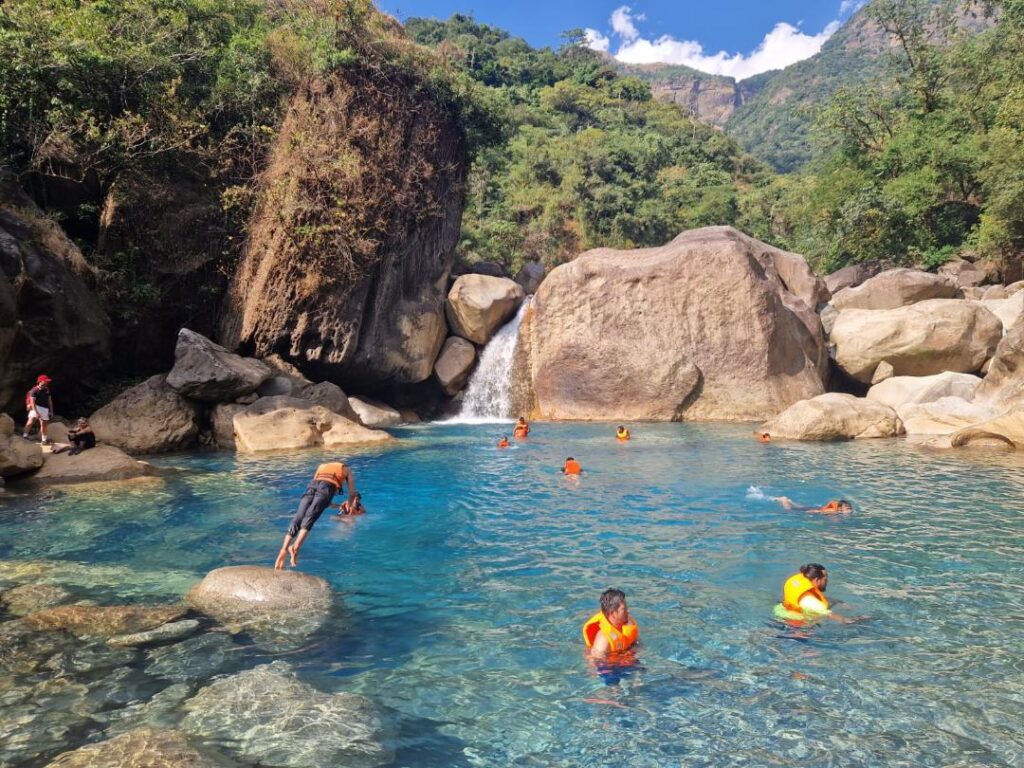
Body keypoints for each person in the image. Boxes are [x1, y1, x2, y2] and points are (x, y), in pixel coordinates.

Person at [274, 461, 356, 570]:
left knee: (299, 516)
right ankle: (295, 547)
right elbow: (352, 493)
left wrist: (337, 506)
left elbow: (320, 496)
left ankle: (283, 549)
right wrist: (349, 506)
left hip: (312, 486)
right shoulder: (347, 469)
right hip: (327, 488)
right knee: (310, 517)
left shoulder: (321, 466)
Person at [775, 563, 856, 623]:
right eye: (825, 579)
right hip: (795, 627)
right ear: (817, 580)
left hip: (780, 611)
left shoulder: (801, 581)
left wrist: (839, 602)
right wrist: (858, 620)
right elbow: (836, 618)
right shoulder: (813, 603)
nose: (827, 581)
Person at [583, 588, 639, 659]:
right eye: (624, 609)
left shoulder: (627, 625)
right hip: (613, 668)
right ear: (612, 613)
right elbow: (597, 666)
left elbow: (636, 643)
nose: (628, 611)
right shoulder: (603, 640)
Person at [23, 375, 53, 445]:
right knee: (31, 421)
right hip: (36, 407)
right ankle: (25, 436)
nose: (47, 382)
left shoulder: (47, 390)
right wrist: (36, 412)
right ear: (40, 381)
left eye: (47, 381)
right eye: (45, 381)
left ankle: (44, 440)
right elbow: (32, 402)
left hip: (45, 408)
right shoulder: (34, 390)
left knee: (44, 424)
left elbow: (50, 401)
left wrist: (51, 411)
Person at [772, 496, 852, 514]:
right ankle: (784, 500)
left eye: (849, 508)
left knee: (800, 507)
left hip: (817, 507)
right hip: (815, 509)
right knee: (789, 510)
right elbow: (819, 511)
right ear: (841, 508)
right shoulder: (833, 512)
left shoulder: (836, 509)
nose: (849, 510)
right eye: (847, 508)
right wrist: (810, 512)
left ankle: (789, 501)